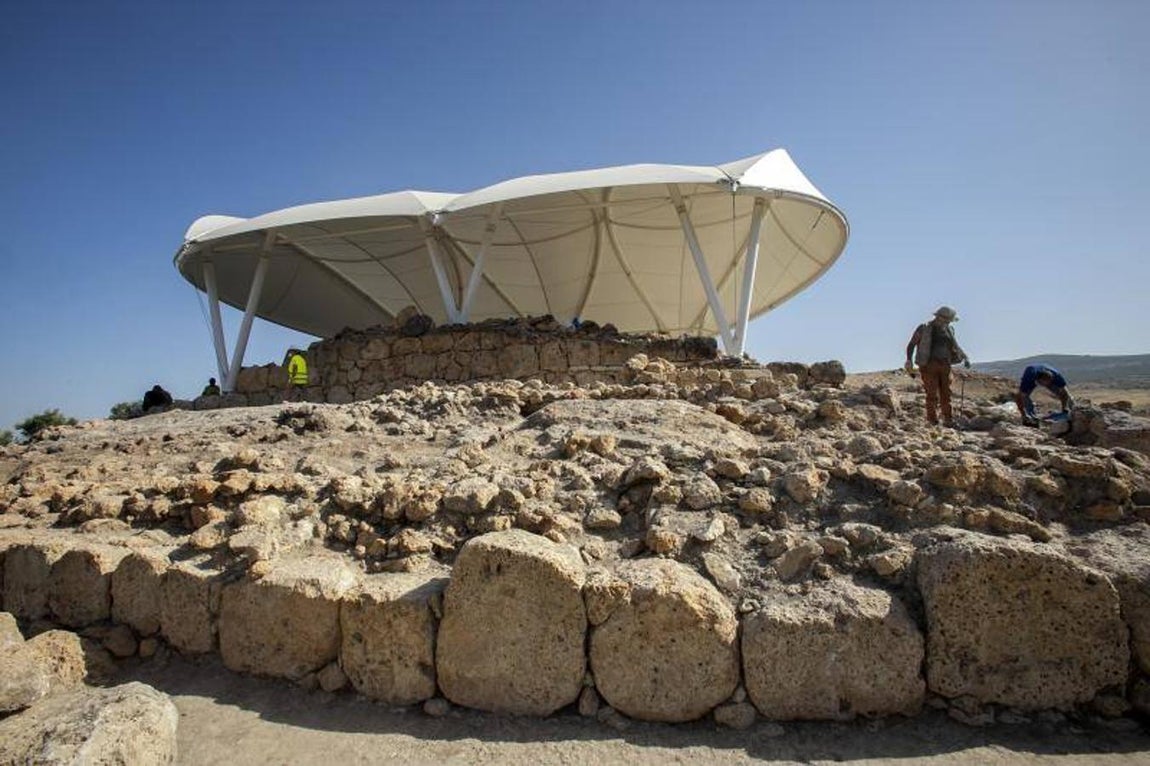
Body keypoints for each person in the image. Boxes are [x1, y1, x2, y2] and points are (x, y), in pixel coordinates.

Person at [904, 306, 971, 427]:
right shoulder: (924, 328)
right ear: (939, 317)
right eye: (947, 320)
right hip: (928, 365)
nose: (948, 322)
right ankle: (932, 421)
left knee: (946, 393)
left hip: (945, 365)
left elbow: (955, 345)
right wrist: (909, 360)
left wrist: (965, 357)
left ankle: (948, 420)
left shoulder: (949, 330)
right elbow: (911, 344)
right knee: (931, 393)